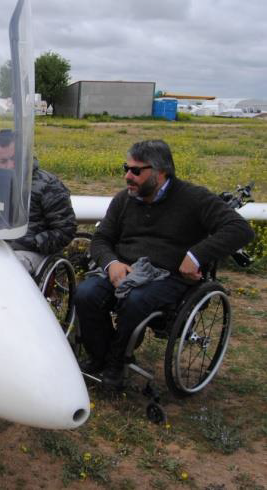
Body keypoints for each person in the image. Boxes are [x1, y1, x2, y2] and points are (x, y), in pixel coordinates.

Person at [74, 139, 254, 387]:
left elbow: (240, 229)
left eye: (136, 171)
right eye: (126, 168)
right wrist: (111, 263)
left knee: (136, 299)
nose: (128, 175)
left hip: (168, 274)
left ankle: (116, 364)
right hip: (123, 267)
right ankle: (100, 356)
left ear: (160, 173)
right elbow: (102, 239)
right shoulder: (123, 200)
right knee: (85, 293)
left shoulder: (194, 198)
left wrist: (196, 255)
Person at [0, 129, 77, 273]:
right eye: (3, 161)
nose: (10, 165)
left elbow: (66, 230)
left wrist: (32, 242)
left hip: (34, 252)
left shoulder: (48, 185)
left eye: (14, 159)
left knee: (4, 268)